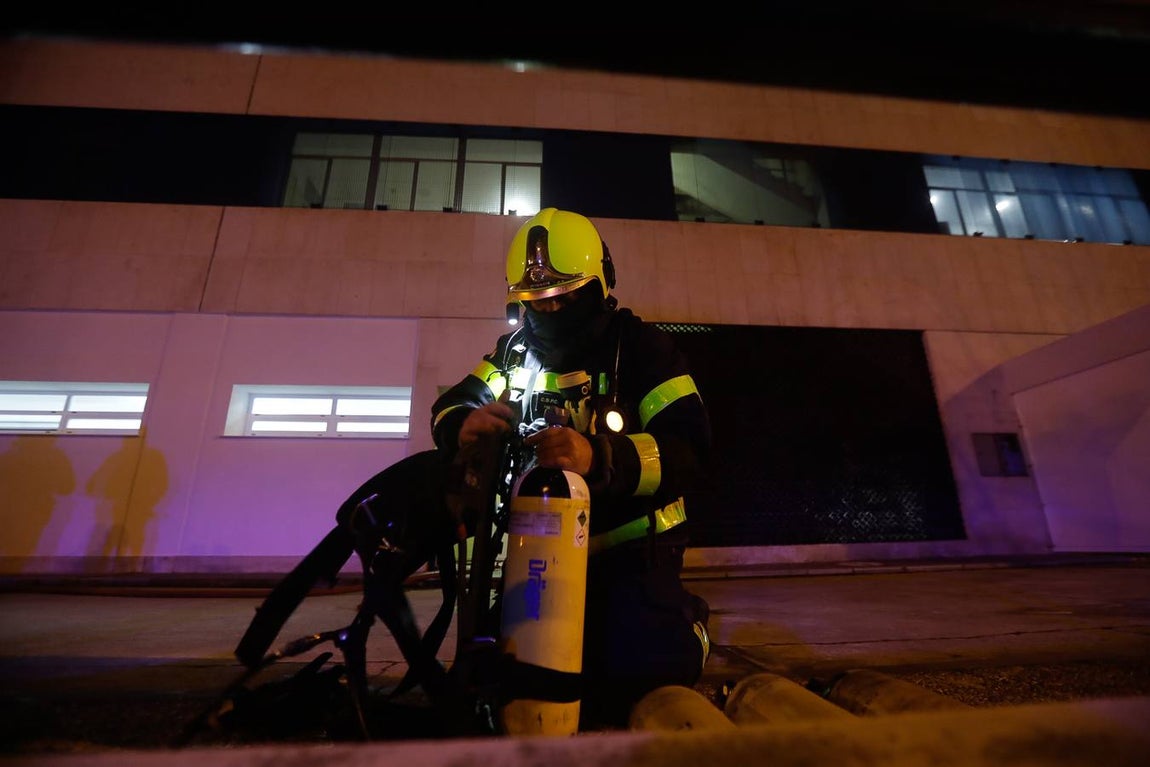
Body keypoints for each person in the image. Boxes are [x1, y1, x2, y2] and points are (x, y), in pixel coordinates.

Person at [430, 208, 713, 728]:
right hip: (534, 553)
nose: (551, 309)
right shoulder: (513, 354)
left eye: (566, 296)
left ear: (600, 285)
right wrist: (463, 427)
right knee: (505, 677)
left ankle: (688, 624)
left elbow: (691, 450)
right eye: (537, 301)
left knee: (637, 677)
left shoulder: (644, 350)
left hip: (632, 553)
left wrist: (600, 457)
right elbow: (454, 404)